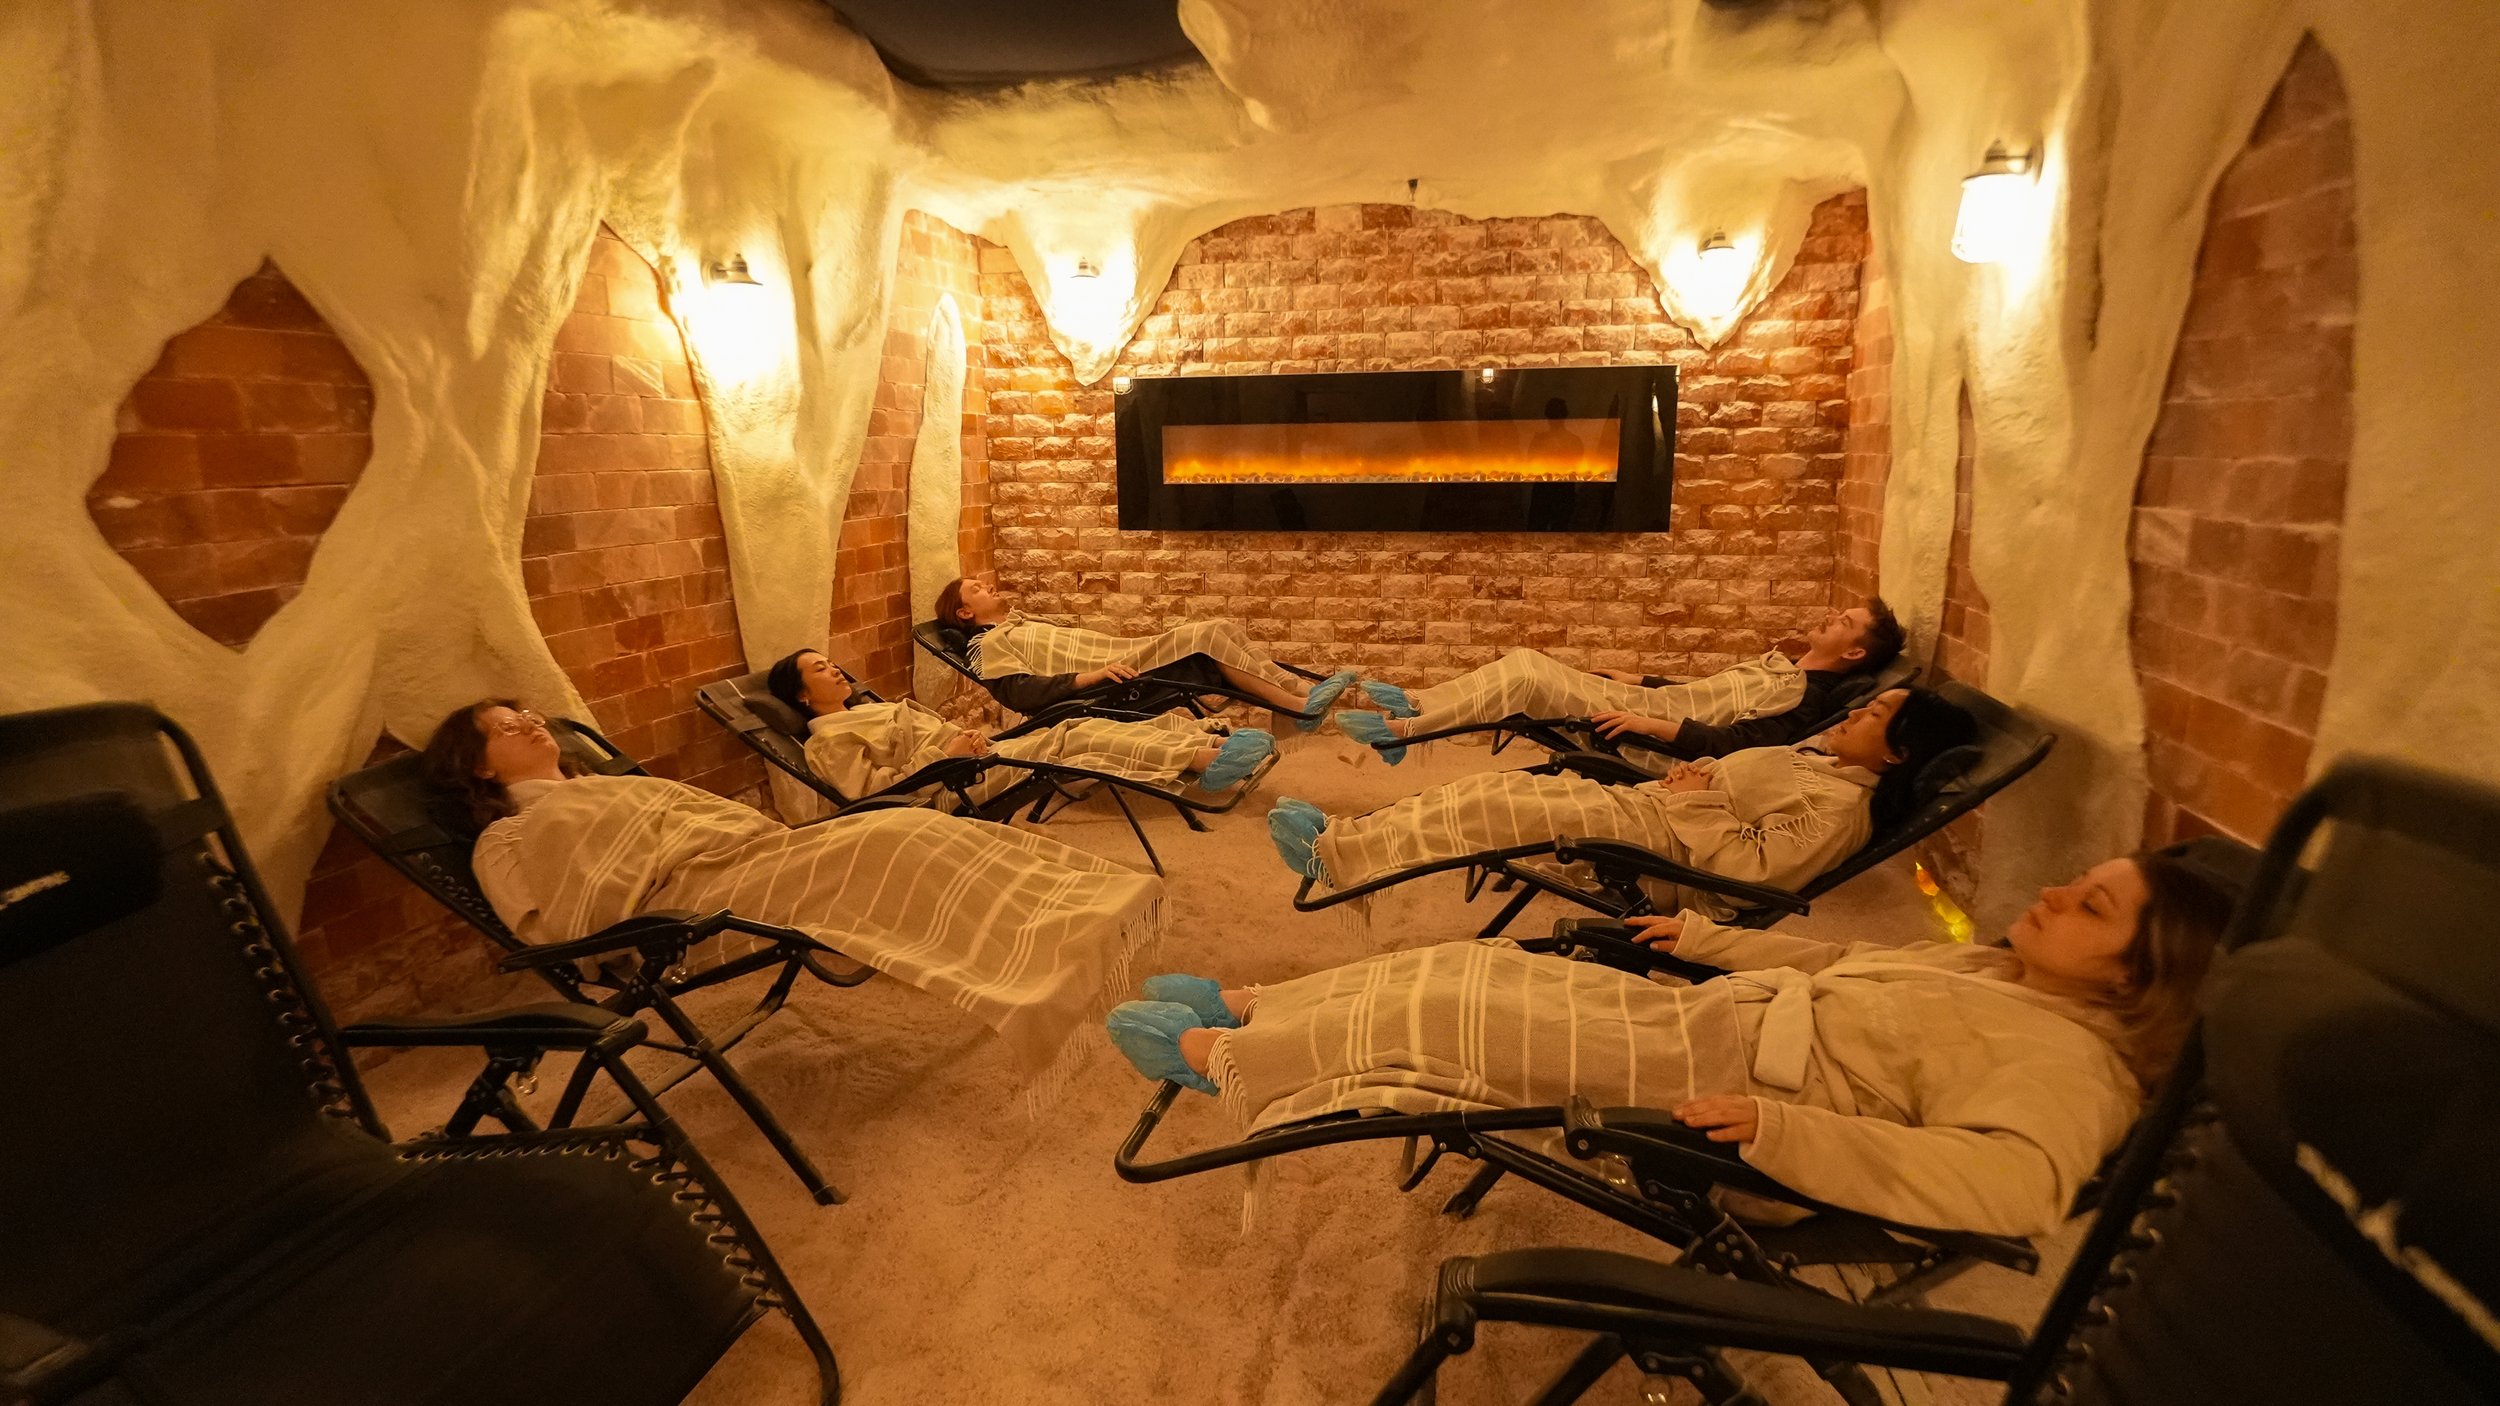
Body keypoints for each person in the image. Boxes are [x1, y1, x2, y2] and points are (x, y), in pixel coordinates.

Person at [1101, 846, 2237, 1238]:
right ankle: (1255, 1003)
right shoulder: (1994, 968)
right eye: (2076, 883)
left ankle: (1213, 1058)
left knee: (1462, 1023)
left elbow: (2019, 1183)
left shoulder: (2071, 1066)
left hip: (1737, 1086)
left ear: (2142, 977)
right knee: (1483, 965)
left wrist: (1788, 1131)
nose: (2050, 894)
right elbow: (1832, 965)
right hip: (1717, 1024)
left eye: (2090, 906)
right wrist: (1703, 934)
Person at [427, 700, 1163, 1092]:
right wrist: (622, 887)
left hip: (745, 856)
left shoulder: (605, 788)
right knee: (894, 837)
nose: (526, 722)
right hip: (691, 905)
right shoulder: (508, 840)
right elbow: (555, 929)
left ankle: (1081, 921)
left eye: (524, 711)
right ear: (481, 769)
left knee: (903, 830)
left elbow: (698, 818)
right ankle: (1047, 958)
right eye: (502, 727)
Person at [1269, 687, 1975, 918]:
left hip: (1662, 858)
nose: (1854, 713)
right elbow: (1730, 782)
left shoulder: (1841, 812)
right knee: (1500, 788)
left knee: (1506, 814)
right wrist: (1696, 777)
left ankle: (1339, 857)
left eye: (1874, 713)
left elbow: (1754, 876)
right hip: (1656, 813)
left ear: (1898, 753)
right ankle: (1347, 834)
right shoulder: (1823, 765)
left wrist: (1698, 801)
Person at [1339, 600, 1906, 766]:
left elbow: (1741, 747)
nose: (1832, 617)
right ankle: (1418, 708)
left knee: (1527, 674)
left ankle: (1403, 728)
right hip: (1644, 701)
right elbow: (1712, 693)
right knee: (1525, 660)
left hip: (1653, 737)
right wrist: (1640, 677)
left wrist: (1646, 720)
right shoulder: (1786, 669)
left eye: (1845, 623)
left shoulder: (1806, 695)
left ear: (1854, 651)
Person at [764, 648, 1274, 803]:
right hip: (948, 786)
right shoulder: (828, 739)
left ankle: (1202, 744)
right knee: (1069, 743)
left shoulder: (863, 710)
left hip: (973, 757)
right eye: (820, 669)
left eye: (834, 661)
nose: (835, 667)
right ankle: (1205, 761)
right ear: (803, 696)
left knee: (1073, 724)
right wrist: (944, 756)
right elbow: (869, 794)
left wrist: (962, 741)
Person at [934, 577, 1359, 729]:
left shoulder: (1015, 625)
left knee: (1218, 628)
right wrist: (1094, 676)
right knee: (1207, 633)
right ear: (965, 611)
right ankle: (1296, 705)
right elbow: (1018, 694)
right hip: (1114, 675)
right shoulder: (987, 643)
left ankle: (1297, 693)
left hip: (1123, 654)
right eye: (976, 589)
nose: (987, 585)